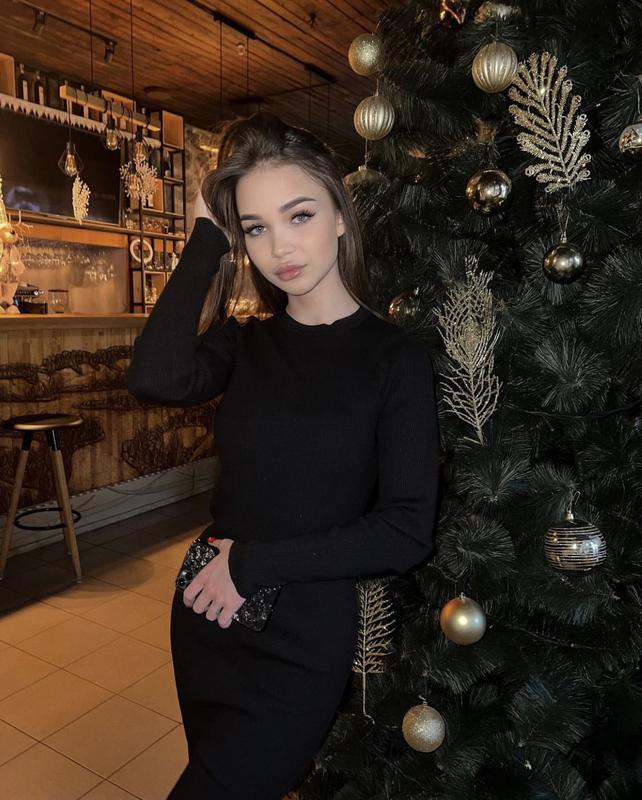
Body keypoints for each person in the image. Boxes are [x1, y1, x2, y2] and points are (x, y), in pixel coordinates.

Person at [126, 111, 440, 799]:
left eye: (299, 215)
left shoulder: (394, 360)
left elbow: (406, 530)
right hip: (208, 615)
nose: (279, 247)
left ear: (339, 216)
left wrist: (253, 563)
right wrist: (207, 237)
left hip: (301, 628)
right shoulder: (245, 343)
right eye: (255, 227)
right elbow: (152, 376)